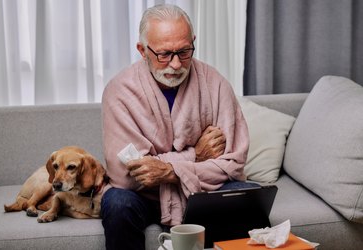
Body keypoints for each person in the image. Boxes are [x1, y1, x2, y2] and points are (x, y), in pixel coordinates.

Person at [101, 4, 255, 250]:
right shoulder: (119, 91)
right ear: (142, 50)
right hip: (144, 198)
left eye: (184, 52)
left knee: (243, 194)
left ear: (193, 41)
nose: (175, 65)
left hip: (201, 193)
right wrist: (195, 155)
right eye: (164, 54)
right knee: (117, 202)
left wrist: (168, 171)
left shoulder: (215, 84)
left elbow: (234, 164)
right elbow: (127, 176)